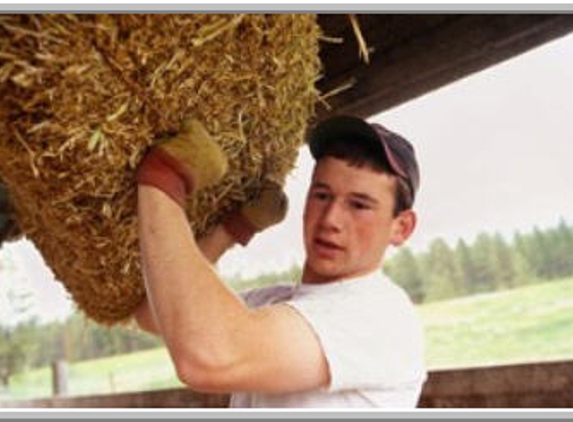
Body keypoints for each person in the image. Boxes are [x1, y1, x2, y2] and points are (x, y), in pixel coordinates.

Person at [134, 115, 427, 408]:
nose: (330, 220)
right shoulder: (277, 302)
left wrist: (163, 178)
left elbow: (210, 357)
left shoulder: (382, 316)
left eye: (359, 205)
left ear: (401, 227)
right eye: (322, 195)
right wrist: (232, 230)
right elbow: (155, 314)